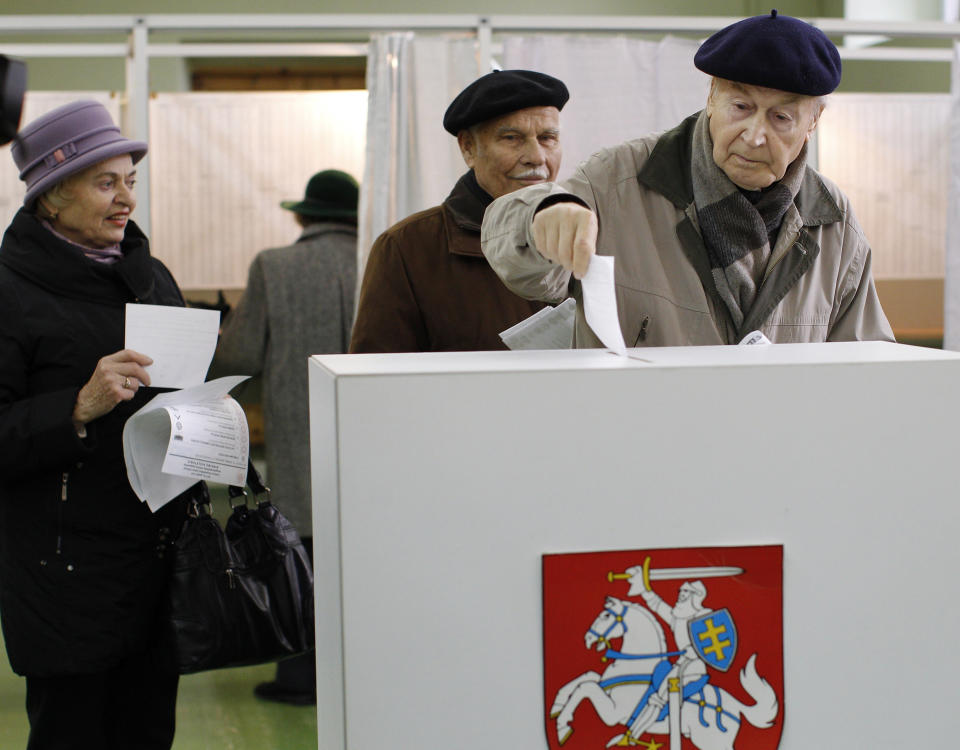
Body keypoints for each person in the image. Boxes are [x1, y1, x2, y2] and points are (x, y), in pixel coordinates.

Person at [481, 12, 895, 347]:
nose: (754, 135)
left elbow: (865, 366)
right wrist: (542, 215)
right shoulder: (621, 180)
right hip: (641, 443)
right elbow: (524, 268)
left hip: (777, 446)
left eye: (781, 117)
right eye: (740, 106)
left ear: (814, 121)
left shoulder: (832, 222)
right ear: (711, 95)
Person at [0, 100, 195, 749]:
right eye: (105, 182)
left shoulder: (150, 277)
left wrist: (209, 422)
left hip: (156, 563)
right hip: (64, 576)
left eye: (130, 181)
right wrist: (75, 407)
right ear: (51, 198)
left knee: (147, 732)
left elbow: (182, 391)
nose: (125, 201)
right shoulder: (10, 293)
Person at [212, 169, 359, 705]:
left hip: (302, 438)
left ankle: (300, 678)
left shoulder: (275, 265)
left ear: (301, 216)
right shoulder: (382, 257)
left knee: (299, 558)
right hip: (374, 440)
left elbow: (241, 356)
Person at [349, 69, 569, 353]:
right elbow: (375, 381)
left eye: (547, 138)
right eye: (512, 138)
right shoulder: (407, 249)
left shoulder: (591, 236)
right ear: (468, 148)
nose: (537, 157)